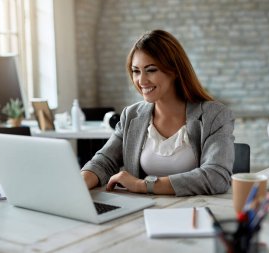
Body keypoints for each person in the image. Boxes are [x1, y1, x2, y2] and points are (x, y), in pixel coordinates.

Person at [81, 29, 235, 196]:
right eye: (136, 71)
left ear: (175, 70)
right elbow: (104, 162)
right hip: (141, 213)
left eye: (151, 70)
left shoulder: (215, 115)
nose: (141, 80)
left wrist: (143, 185)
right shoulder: (131, 116)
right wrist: (76, 185)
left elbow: (216, 177)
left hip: (193, 215)